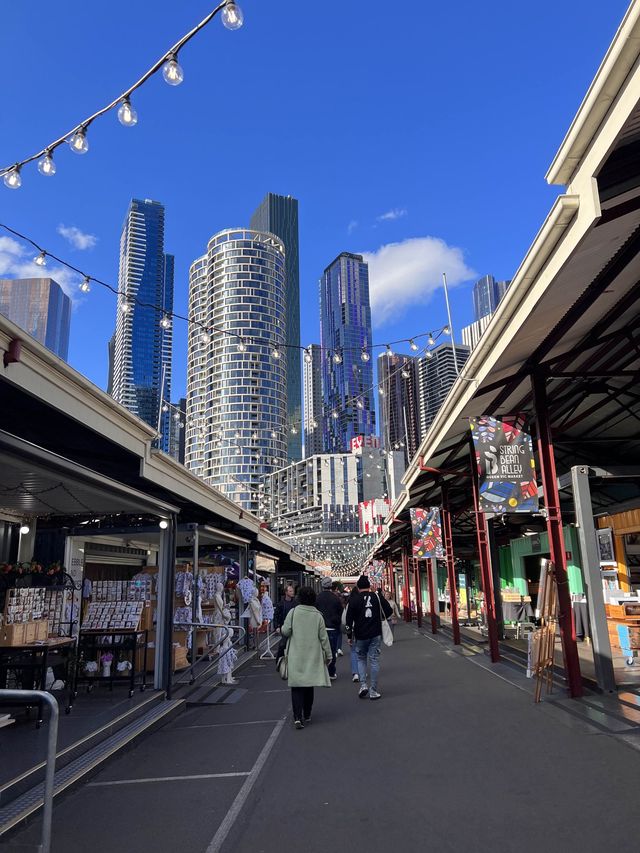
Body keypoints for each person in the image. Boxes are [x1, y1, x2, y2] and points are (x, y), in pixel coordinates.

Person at [281, 586, 332, 729]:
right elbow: (324, 638)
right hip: (312, 655)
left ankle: (297, 717)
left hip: (296, 655)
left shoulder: (293, 612)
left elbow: (285, 630)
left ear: (299, 598)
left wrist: (281, 629)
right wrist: (329, 656)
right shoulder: (317, 615)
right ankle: (307, 713)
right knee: (309, 685)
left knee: (296, 686)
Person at [346, 575, 393, 700]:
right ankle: (373, 690)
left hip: (360, 635)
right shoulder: (376, 597)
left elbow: (348, 620)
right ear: (369, 586)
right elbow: (388, 611)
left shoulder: (354, 600)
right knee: (374, 660)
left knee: (361, 659)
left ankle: (363, 685)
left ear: (358, 587)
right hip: (375, 633)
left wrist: (349, 636)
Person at [315, 577, 343, 679]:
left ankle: (321, 671)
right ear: (331, 586)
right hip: (332, 627)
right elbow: (340, 611)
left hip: (320, 627)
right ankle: (331, 671)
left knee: (320, 651)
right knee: (331, 651)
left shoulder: (317, 598)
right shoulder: (335, 598)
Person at [346, 586, 361, 682]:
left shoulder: (350, 603)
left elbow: (348, 620)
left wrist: (348, 635)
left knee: (353, 651)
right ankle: (361, 670)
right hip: (363, 630)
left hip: (353, 630)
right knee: (362, 652)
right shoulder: (363, 602)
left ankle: (355, 673)